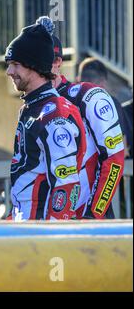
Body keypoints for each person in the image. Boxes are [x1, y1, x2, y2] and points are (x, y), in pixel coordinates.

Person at [5, 18, 86, 220]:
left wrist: (52, 239)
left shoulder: (55, 114)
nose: (9, 72)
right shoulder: (31, 107)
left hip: (40, 234)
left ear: (35, 66)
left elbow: (66, 184)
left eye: (15, 64)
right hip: (26, 227)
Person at [50, 20, 125, 219]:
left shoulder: (85, 96)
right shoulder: (29, 108)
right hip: (48, 225)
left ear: (58, 63)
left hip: (89, 221)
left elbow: (114, 158)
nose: (12, 72)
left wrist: (94, 213)